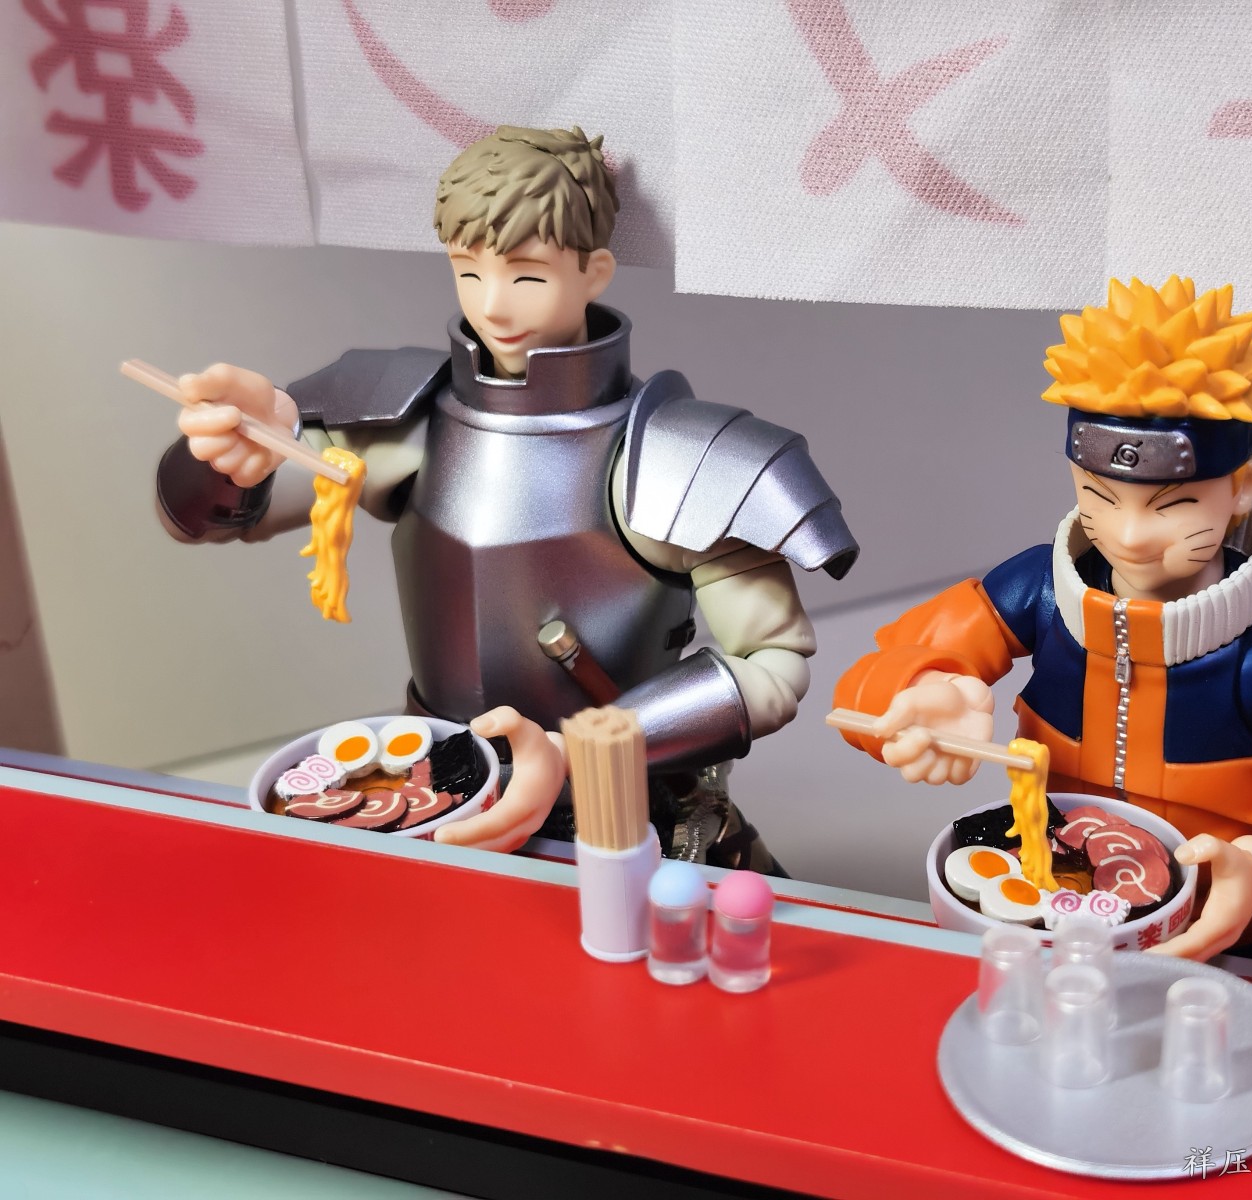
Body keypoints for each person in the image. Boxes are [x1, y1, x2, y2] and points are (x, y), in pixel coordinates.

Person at [156, 125, 857, 868]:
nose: (493, 306)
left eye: (526, 277)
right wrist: (234, 458)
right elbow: (210, 520)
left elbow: (774, 664)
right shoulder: (407, 416)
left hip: (628, 800)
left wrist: (584, 749)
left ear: (594, 272)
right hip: (438, 787)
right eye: (468, 272)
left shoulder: (676, 454)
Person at [833, 275, 1252, 963]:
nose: (1130, 537)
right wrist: (920, 692)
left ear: (1242, 487)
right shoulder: (1033, 593)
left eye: (1175, 506)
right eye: (1099, 497)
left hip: (1236, 945)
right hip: (1063, 925)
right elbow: (865, 685)